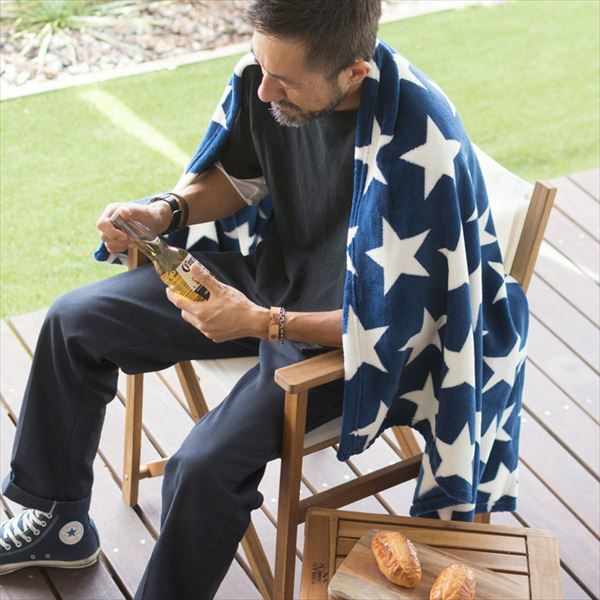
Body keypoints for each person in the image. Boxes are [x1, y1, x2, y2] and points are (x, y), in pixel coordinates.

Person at [1, 0, 529, 596]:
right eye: (261, 66)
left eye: (285, 81)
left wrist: (260, 322)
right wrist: (165, 211)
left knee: (202, 466)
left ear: (354, 72)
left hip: (353, 340)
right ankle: (58, 521)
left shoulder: (420, 144)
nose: (262, 90)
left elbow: (398, 328)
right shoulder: (269, 74)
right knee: (73, 320)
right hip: (273, 279)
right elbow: (239, 175)